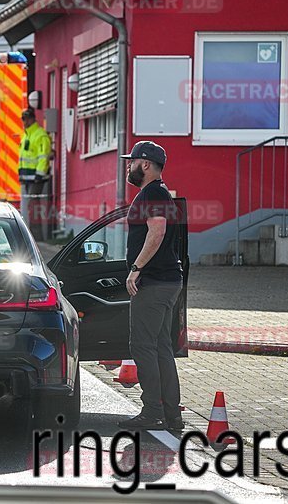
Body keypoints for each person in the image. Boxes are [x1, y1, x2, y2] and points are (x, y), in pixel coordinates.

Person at [117, 141, 184, 431]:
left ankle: (153, 411)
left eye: (131, 161)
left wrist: (136, 268)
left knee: (143, 345)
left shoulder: (153, 193)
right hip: (167, 281)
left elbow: (156, 233)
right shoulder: (158, 193)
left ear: (144, 164)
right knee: (161, 347)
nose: (128, 166)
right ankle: (171, 415)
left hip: (154, 283)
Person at [17, 108, 52, 237]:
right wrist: (21, 174)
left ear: (32, 119)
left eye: (26, 119)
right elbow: (23, 157)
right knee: (29, 207)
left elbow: (44, 156)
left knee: (34, 207)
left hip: (36, 177)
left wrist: (40, 174)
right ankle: (31, 234)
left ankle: (36, 236)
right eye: (23, 119)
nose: (24, 122)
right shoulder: (26, 134)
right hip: (27, 177)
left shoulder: (40, 135)